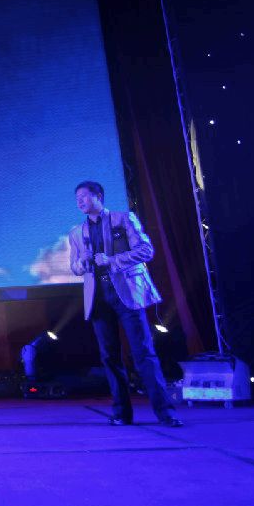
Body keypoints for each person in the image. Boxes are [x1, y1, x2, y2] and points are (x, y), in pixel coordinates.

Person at [69, 181, 183, 427]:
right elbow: (74, 267)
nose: (79, 201)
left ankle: (165, 412)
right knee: (109, 356)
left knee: (143, 353)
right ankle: (122, 413)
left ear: (98, 196)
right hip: (98, 298)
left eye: (84, 196)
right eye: (77, 198)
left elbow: (146, 250)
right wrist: (82, 262)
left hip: (127, 293)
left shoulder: (123, 219)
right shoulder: (77, 233)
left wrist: (112, 260)